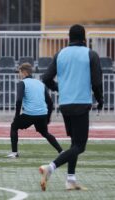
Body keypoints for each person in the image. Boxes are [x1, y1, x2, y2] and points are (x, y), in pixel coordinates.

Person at [39, 24, 103, 191]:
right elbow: (96, 82)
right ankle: (50, 167)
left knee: (74, 144)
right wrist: (100, 99)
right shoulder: (90, 54)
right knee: (80, 146)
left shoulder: (60, 54)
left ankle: (71, 179)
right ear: (84, 39)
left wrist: (59, 88)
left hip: (65, 104)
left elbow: (46, 78)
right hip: (81, 104)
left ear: (69, 38)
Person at [6, 63, 63, 159]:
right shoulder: (40, 83)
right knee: (45, 133)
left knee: (14, 126)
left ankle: (14, 152)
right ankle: (61, 151)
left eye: (19, 72)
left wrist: (16, 116)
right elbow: (50, 102)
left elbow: (19, 100)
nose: (19, 74)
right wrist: (48, 118)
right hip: (42, 114)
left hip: (30, 114)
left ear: (24, 72)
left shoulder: (22, 83)